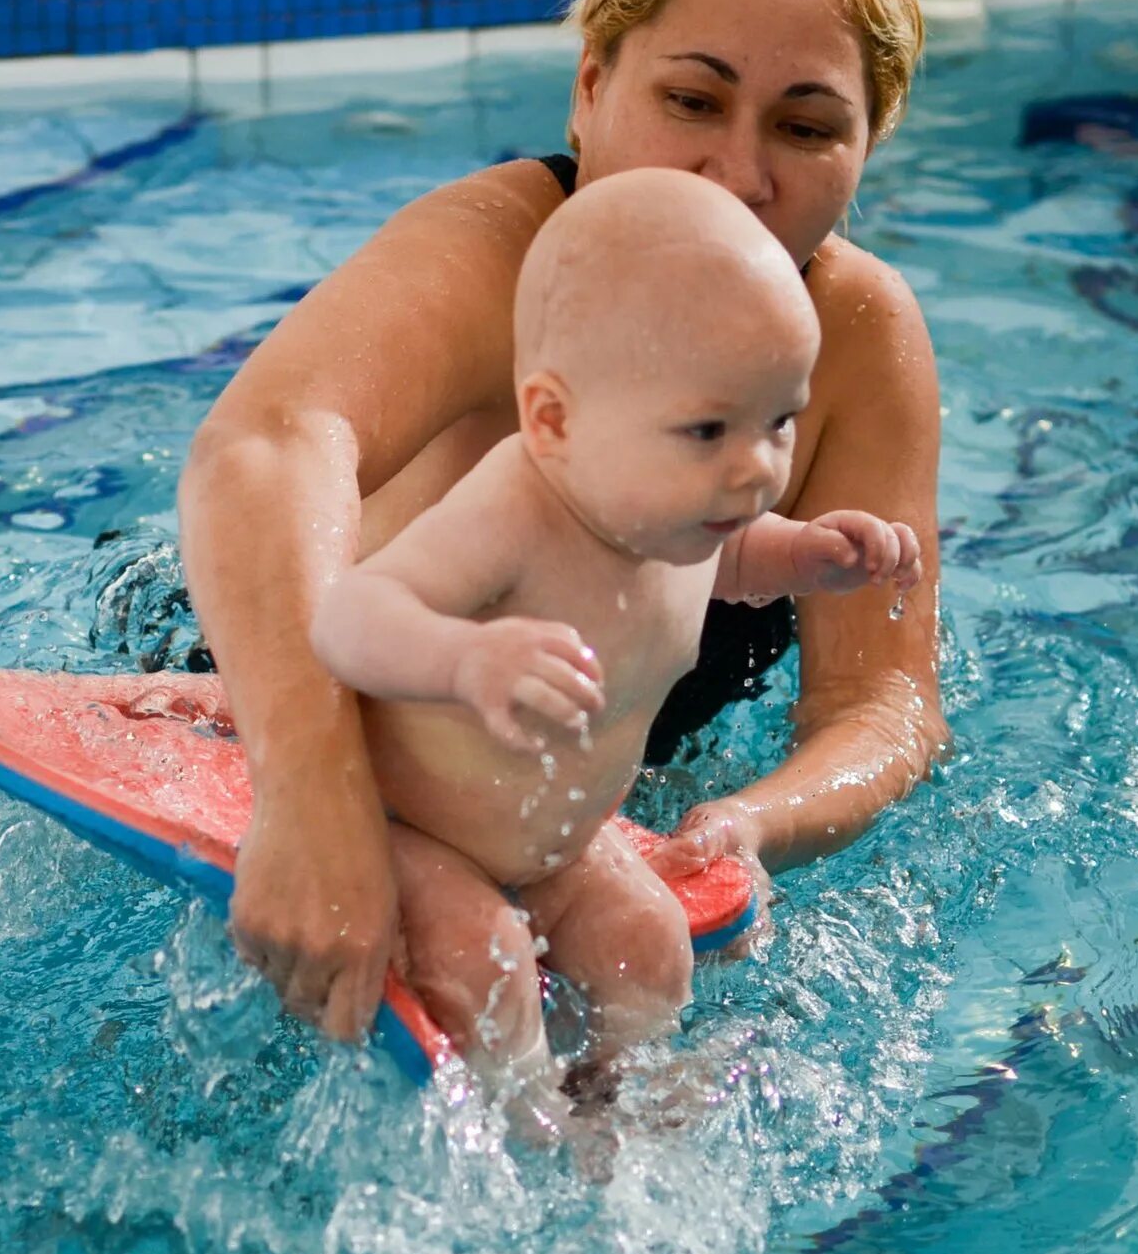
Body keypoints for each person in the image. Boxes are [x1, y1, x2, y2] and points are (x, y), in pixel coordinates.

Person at [171, 0, 948, 1045]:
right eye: (692, 100)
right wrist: (311, 795)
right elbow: (269, 442)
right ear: (591, 88)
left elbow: (882, 697)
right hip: (298, 692)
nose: (737, 175)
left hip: (562, 803)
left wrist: (747, 822)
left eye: (804, 126)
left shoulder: (854, 340)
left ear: (864, 148)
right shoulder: (509, 259)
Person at [309, 169, 919, 1119]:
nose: (755, 467)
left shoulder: (680, 510)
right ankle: (527, 1133)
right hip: (412, 826)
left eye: (780, 421)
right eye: (711, 428)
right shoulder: (513, 506)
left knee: (651, 939)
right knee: (488, 962)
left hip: (554, 840)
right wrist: (463, 660)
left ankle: (615, 1096)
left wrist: (813, 554)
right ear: (554, 420)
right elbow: (347, 618)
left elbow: (736, 566)